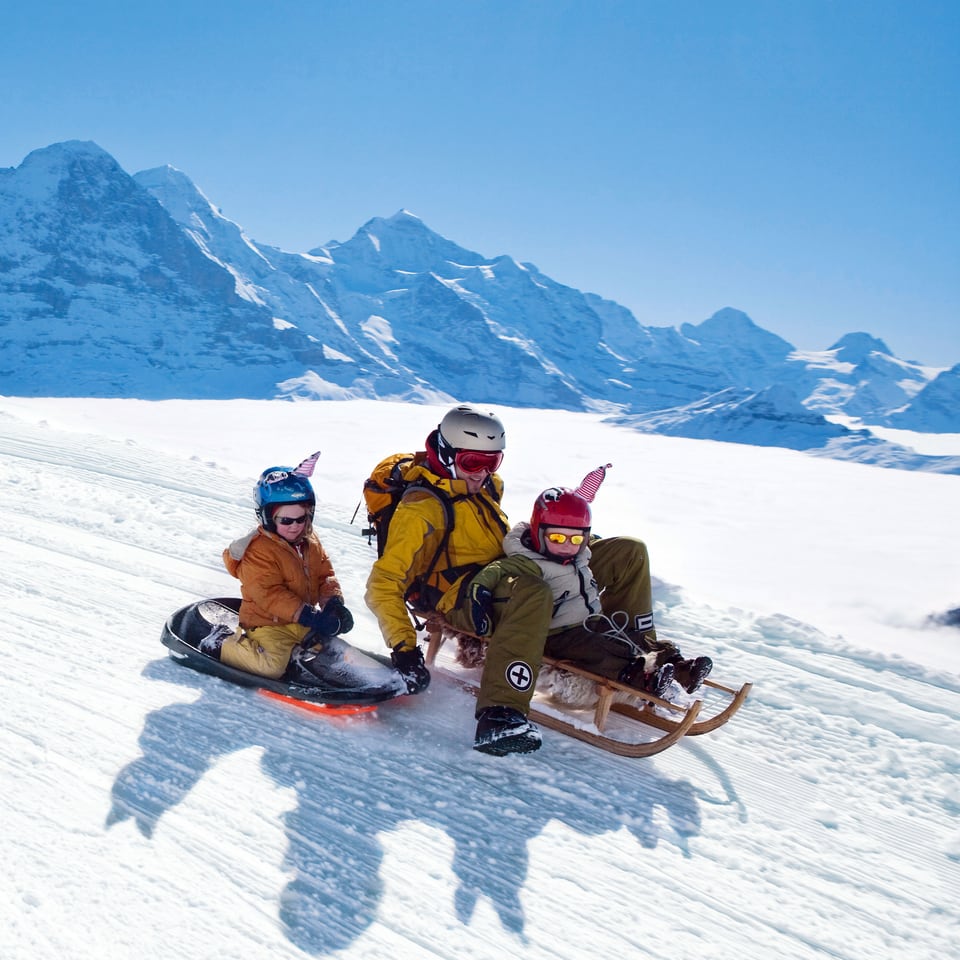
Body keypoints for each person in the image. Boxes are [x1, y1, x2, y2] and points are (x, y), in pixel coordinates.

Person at [365, 404, 554, 756]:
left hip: (499, 575)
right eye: (472, 463)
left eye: (492, 462)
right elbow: (383, 583)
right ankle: (500, 716)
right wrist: (405, 652)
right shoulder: (422, 507)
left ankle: (642, 657)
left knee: (619, 551)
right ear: (447, 455)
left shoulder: (485, 488)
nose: (483, 472)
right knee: (534, 592)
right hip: (456, 597)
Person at [474, 467, 713, 698]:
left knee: (635, 639)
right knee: (603, 653)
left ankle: (681, 669)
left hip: (589, 621)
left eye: (576, 538)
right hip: (557, 635)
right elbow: (496, 570)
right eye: (557, 537)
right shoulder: (528, 560)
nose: (567, 544)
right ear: (538, 533)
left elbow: (580, 537)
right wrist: (480, 592)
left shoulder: (577, 554)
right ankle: (641, 680)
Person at [216, 454, 356, 681]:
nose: (295, 527)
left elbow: (325, 575)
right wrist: (311, 616)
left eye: (301, 519)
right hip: (265, 625)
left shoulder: (310, 541)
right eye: (286, 521)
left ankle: (301, 653)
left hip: (299, 621)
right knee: (272, 667)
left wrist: (332, 603)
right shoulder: (258, 550)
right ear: (269, 518)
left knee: (331, 649)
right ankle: (223, 644)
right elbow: (270, 595)